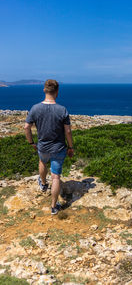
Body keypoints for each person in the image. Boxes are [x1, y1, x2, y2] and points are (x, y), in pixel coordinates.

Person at [24, 79, 74, 215]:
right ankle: (53, 206)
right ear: (57, 92)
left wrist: (31, 143)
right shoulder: (62, 110)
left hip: (43, 147)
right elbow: (68, 131)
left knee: (42, 162)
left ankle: (44, 184)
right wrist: (71, 147)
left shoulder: (35, 108)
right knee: (56, 177)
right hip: (58, 148)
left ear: (44, 90)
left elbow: (26, 127)